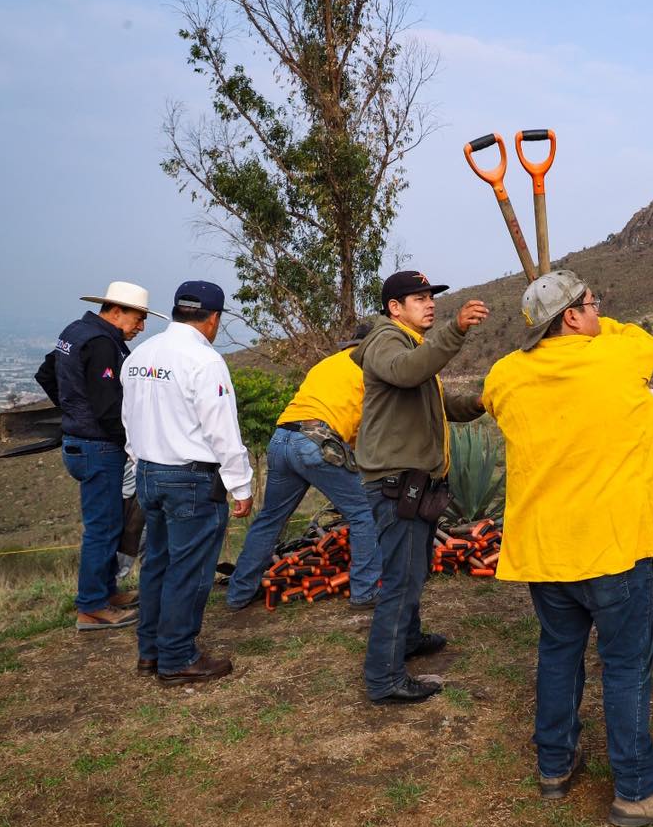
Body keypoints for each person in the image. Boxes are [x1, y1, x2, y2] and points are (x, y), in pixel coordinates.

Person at [483, 270, 653, 827]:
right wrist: (594, 325)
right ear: (574, 319)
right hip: (609, 547)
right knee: (626, 666)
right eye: (590, 304)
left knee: (559, 652)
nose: (599, 311)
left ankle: (555, 765)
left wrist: (553, 325)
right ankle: (635, 791)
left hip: (546, 550)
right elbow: (643, 341)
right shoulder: (617, 356)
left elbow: (495, 392)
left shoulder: (506, 375)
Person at [350, 271, 488, 706]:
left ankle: (406, 640)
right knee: (401, 582)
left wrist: (487, 401)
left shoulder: (413, 348)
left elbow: (444, 405)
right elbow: (408, 373)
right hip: (397, 485)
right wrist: (457, 330)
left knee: (413, 572)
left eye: (431, 297)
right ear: (394, 308)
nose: (429, 303)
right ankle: (384, 678)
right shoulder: (387, 342)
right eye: (418, 297)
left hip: (415, 485)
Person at [122, 281, 254, 684]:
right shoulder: (204, 361)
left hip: (149, 470)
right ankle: (178, 656)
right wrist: (241, 484)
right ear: (213, 318)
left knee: (157, 562)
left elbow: (128, 417)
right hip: (191, 477)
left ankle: (151, 652)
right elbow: (222, 430)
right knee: (190, 568)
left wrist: (137, 458)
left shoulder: (140, 355)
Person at [224, 324, 380, 612]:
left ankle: (238, 594)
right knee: (364, 514)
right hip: (316, 441)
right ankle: (365, 591)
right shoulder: (371, 365)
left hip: (282, 437)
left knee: (270, 518)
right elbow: (365, 425)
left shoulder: (325, 365)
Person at [35, 281, 160, 632]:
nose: (141, 327)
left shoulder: (75, 332)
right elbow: (109, 409)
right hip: (99, 447)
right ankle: (91, 606)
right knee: (103, 528)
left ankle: (105, 593)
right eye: (138, 318)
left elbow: (47, 373)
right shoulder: (104, 344)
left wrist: (73, 409)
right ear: (116, 310)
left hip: (78, 442)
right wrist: (134, 444)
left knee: (108, 523)